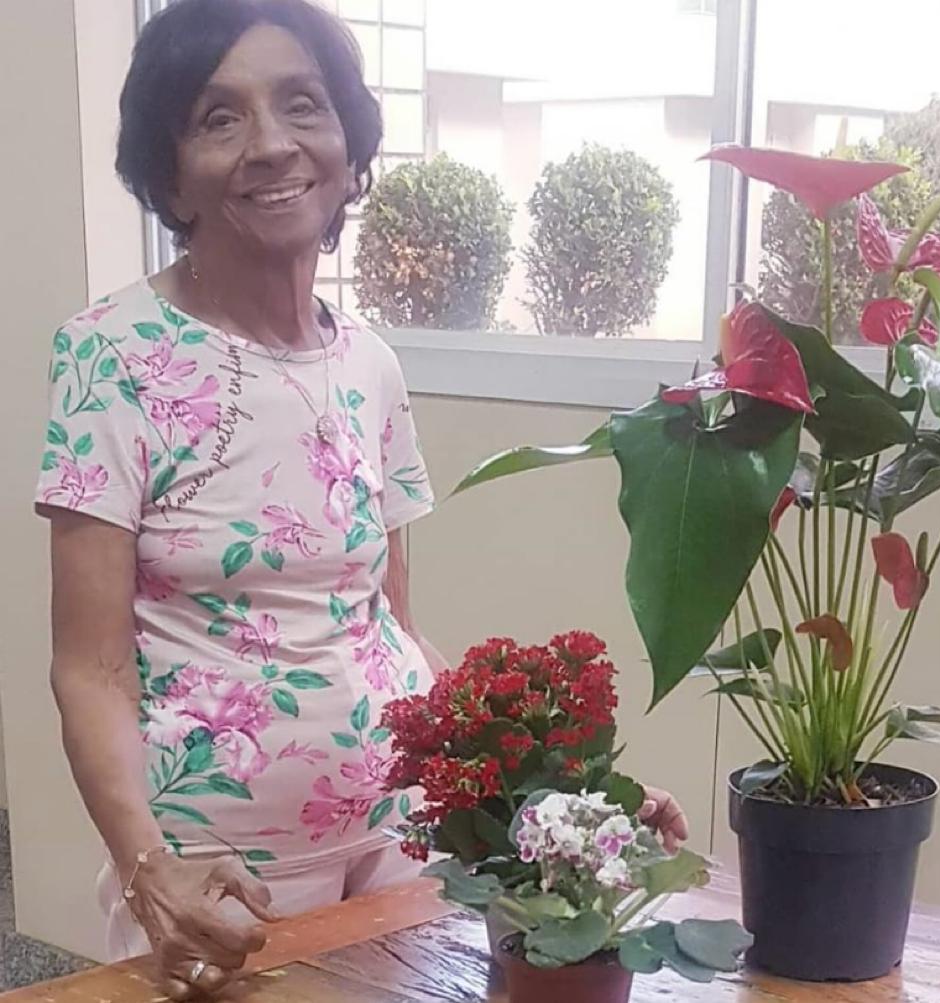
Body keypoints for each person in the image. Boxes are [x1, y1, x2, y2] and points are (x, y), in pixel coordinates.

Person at [35, 0, 687, 998]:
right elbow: (90, 668)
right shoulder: (111, 354)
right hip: (219, 869)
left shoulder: (369, 363)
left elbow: (391, 624)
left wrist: (562, 799)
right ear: (170, 173)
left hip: (399, 837)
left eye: (303, 104)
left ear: (347, 149)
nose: (271, 144)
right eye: (219, 116)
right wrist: (146, 867)